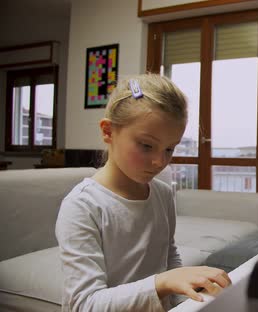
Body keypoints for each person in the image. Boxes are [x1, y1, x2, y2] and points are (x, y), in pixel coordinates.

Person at [55, 74, 231, 311]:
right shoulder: (83, 206)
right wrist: (162, 283)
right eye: (147, 145)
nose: (160, 162)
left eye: (169, 148)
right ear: (108, 131)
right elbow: (84, 304)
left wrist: (190, 302)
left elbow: (168, 256)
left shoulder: (162, 193)